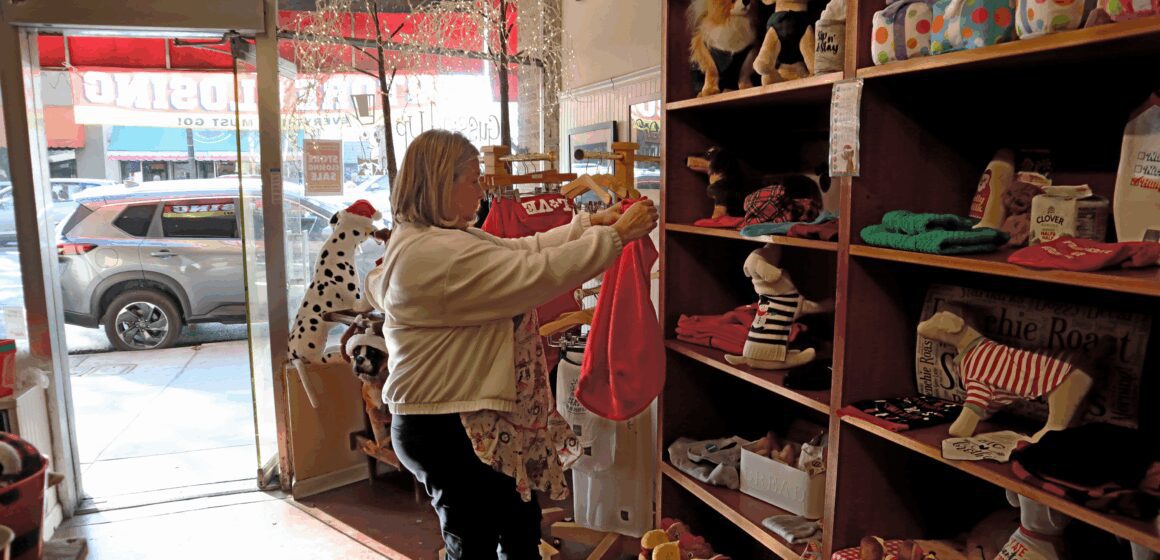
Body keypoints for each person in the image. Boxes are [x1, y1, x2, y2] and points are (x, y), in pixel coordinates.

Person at [364, 129, 658, 560]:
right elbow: (535, 275)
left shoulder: (435, 240)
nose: (481, 189)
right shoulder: (435, 255)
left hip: (458, 418)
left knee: (519, 528)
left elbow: (520, 250)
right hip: (447, 425)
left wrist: (586, 225)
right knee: (476, 545)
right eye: (472, 179)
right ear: (443, 184)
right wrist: (615, 238)